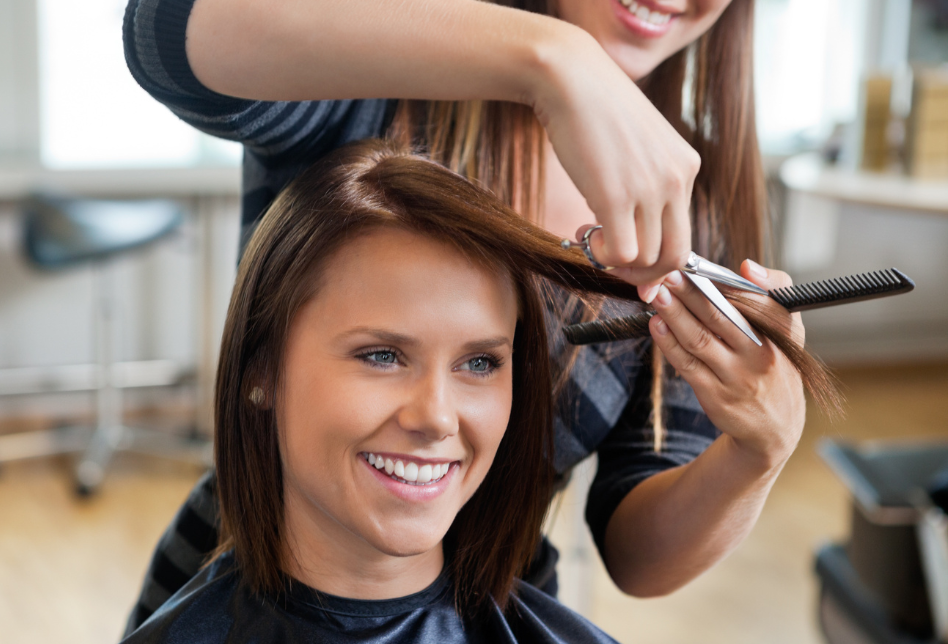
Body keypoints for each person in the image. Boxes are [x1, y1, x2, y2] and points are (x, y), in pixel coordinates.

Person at [121, 0, 807, 631]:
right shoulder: (381, 79)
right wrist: (549, 58)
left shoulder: (691, 217)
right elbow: (165, 36)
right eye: (382, 354)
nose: (436, 417)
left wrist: (756, 450)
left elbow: (639, 557)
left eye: (482, 362)